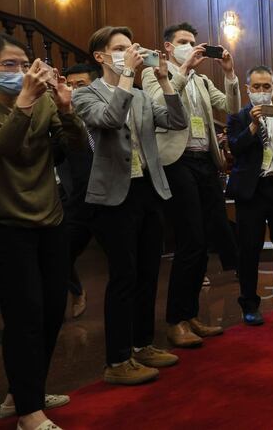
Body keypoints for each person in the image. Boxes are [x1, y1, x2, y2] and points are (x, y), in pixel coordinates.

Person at [72, 26, 187, 385]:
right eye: (120, 48)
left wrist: (166, 81)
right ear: (101, 56)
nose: (129, 53)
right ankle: (117, 360)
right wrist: (124, 76)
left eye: (131, 47)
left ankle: (143, 344)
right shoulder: (85, 94)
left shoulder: (140, 94)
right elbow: (108, 120)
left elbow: (177, 120)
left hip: (147, 190)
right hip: (113, 197)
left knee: (149, 272)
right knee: (124, 276)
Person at [0, 34, 85, 430]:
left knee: (52, 311)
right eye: (8, 65)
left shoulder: (46, 100)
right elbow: (8, 150)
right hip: (8, 224)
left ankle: (24, 391)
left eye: (22, 64)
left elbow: (72, 149)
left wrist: (66, 111)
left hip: (50, 218)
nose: (19, 72)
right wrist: (23, 103)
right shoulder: (20, 102)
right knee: (24, 316)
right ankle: (29, 413)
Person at [142, 22, 240, 348]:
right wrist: (182, 69)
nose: (191, 45)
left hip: (204, 162)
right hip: (177, 161)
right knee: (190, 240)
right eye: (183, 41)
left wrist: (229, 73)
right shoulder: (153, 72)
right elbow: (158, 104)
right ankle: (174, 321)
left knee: (206, 240)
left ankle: (191, 314)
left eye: (193, 42)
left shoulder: (202, 79)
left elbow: (232, 108)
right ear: (168, 47)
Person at [226, 65, 273, 326]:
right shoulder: (238, 117)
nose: (261, 92)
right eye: (256, 87)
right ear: (247, 89)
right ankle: (249, 303)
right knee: (249, 250)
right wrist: (253, 125)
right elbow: (235, 148)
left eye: (266, 86)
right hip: (252, 191)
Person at [59, 63, 101, 319]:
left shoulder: (102, 113)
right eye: (70, 85)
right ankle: (76, 290)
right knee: (60, 252)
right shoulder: (59, 116)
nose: (73, 91)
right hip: (75, 198)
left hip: (108, 194)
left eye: (80, 85)